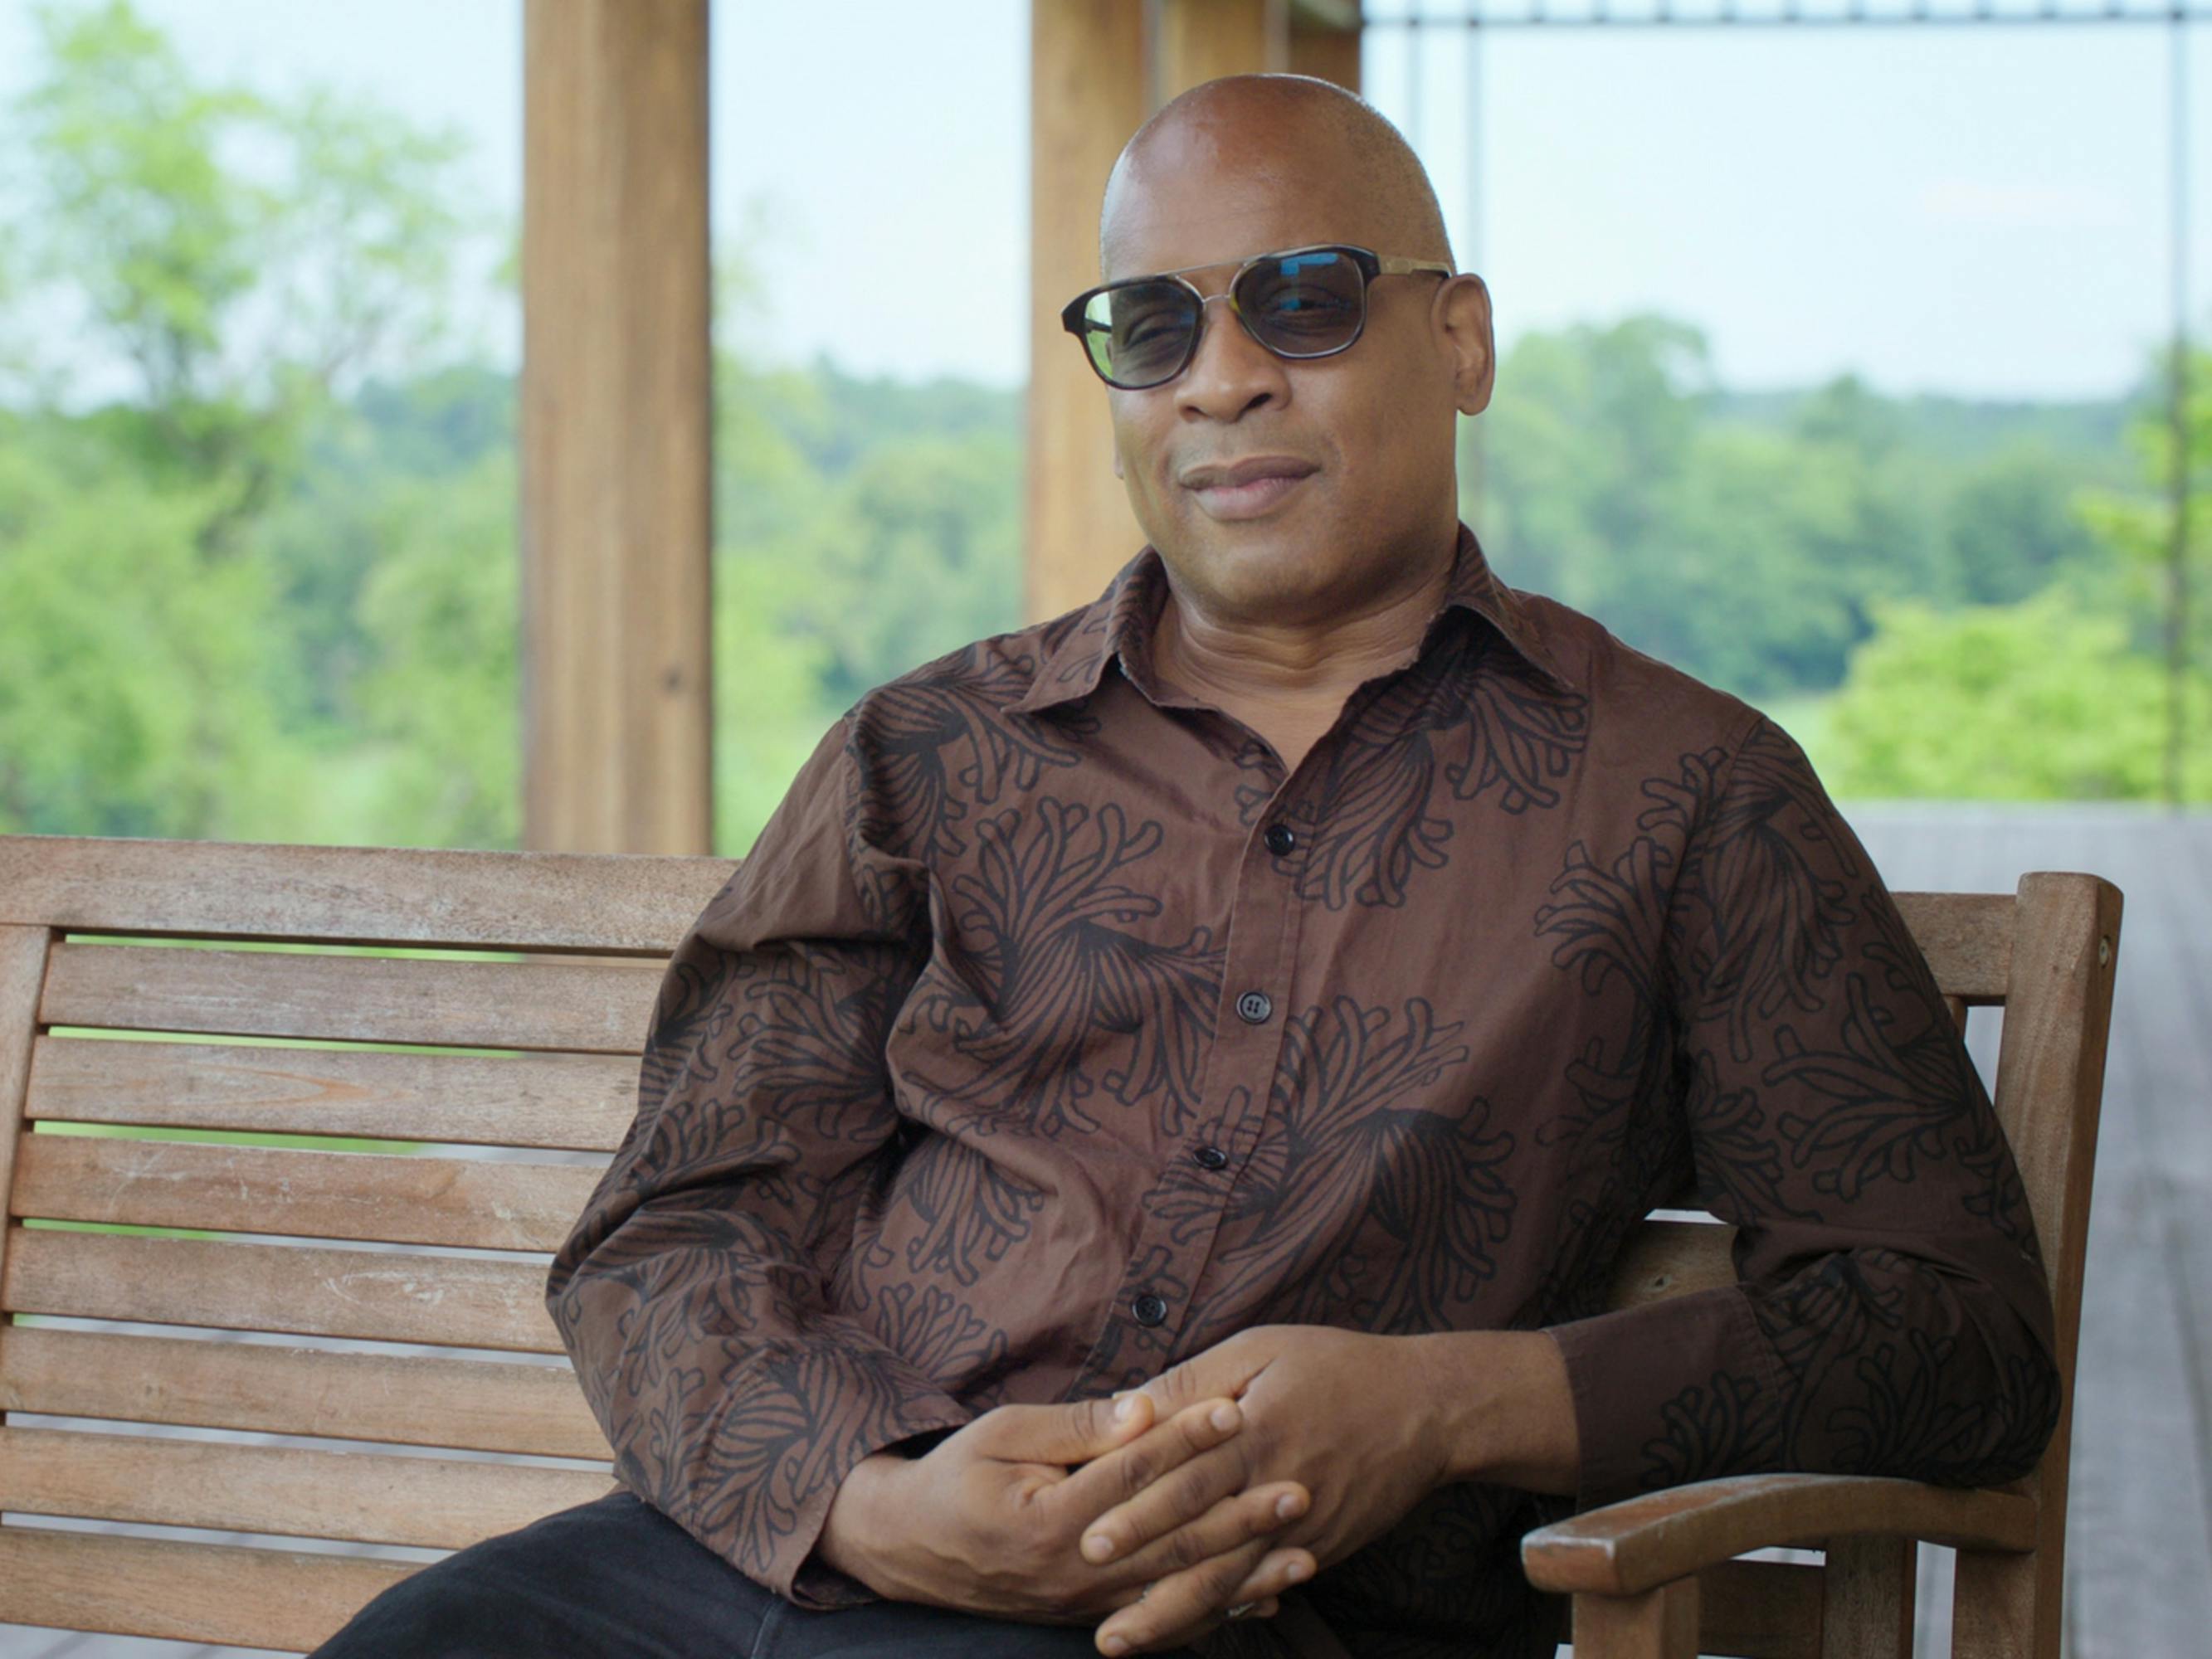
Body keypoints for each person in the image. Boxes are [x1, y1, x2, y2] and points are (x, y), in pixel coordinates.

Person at [313, 72, 2059, 1659]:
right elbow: (673, 1229)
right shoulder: (927, 757)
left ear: (1457, 341)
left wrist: (1444, 1410)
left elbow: (1951, 1333)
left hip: (1225, 1619)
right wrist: (871, 1498)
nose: (1220, 377)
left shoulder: (1683, 795)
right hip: (750, 1566)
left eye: (1298, 298)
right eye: (1151, 325)